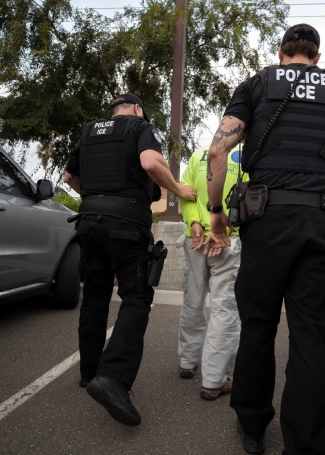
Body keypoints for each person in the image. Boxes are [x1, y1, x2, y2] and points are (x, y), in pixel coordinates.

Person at [204, 24, 325, 454]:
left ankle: (253, 427)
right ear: (316, 56)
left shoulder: (257, 84)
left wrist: (217, 212)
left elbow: (217, 151)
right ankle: (307, 446)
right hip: (319, 226)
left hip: (265, 222)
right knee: (310, 339)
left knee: (258, 326)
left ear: (281, 53)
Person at [63, 93, 196, 426]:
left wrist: (96, 199)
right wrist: (179, 191)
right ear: (138, 108)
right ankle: (112, 378)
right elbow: (151, 164)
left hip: (89, 221)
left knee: (94, 295)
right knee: (136, 298)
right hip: (126, 225)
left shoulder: (89, 130)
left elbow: (69, 177)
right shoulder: (140, 126)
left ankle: (89, 373)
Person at [177, 144, 247, 400]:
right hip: (227, 242)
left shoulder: (199, 154)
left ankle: (187, 361)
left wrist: (194, 222)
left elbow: (186, 192)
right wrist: (225, 229)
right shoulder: (247, 157)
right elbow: (250, 199)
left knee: (192, 301)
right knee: (224, 308)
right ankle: (214, 380)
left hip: (194, 240)